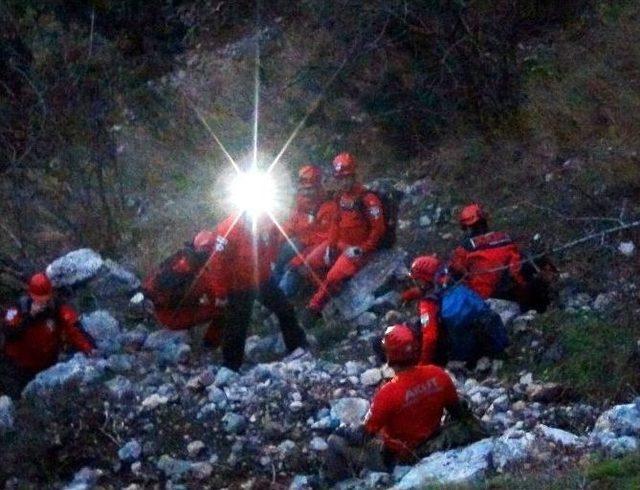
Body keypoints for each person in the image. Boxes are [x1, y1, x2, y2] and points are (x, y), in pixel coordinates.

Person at [325, 323, 486, 482]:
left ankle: (344, 483)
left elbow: (363, 436)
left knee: (334, 441)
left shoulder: (387, 393)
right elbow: (458, 412)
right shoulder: (438, 374)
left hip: (401, 458)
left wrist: (343, 431)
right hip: (435, 440)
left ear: (388, 356)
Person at [203, 213, 308, 371]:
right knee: (237, 325)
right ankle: (231, 366)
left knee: (284, 308)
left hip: (262, 279)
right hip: (238, 285)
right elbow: (217, 263)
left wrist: (271, 261)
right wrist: (220, 293)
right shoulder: (228, 229)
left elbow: (274, 238)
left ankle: (297, 347)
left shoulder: (265, 219)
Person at [304, 152, 386, 317]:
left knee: (334, 276)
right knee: (311, 262)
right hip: (341, 244)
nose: (342, 182)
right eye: (339, 179)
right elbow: (335, 223)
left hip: (357, 250)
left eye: (345, 178)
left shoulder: (368, 199)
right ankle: (332, 293)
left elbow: (378, 229)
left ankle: (315, 306)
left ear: (353, 176)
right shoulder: (340, 198)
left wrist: (363, 248)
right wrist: (330, 246)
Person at [0, 273, 95, 398]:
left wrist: (90, 349)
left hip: (46, 364)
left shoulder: (57, 309)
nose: (42, 305)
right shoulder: (18, 309)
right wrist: (29, 317)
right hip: (18, 367)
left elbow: (74, 328)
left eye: (45, 300)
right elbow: (9, 333)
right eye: (39, 300)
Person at [143, 230, 225, 348]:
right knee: (222, 310)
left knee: (199, 302)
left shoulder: (177, 257)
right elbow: (215, 298)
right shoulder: (203, 273)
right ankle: (209, 345)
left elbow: (151, 282)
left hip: (159, 310)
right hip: (173, 318)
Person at [273, 165, 337, 297]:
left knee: (292, 270)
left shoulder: (329, 208)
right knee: (281, 253)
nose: (307, 193)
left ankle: (281, 299)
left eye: (310, 189)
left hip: (315, 253)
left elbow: (322, 242)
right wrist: (275, 241)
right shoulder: (303, 202)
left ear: (318, 187)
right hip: (303, 244)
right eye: (304, 189)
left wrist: (297, 261)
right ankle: (270, 290)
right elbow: (292, 224)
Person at [449, 203, 526, 301]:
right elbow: (518, 260)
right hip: (516, 290)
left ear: (467, 227)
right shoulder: (505, 237)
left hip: (485, 298)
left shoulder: (465, 248)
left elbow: (454, 271)